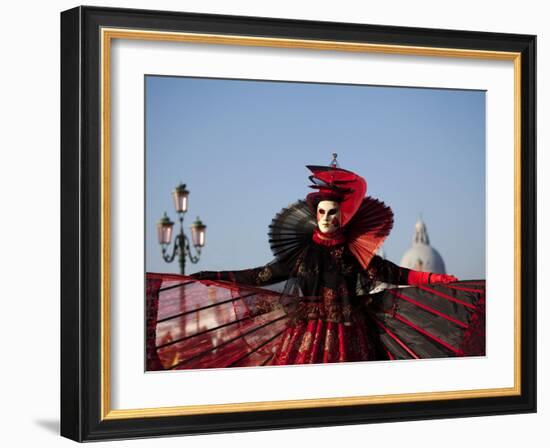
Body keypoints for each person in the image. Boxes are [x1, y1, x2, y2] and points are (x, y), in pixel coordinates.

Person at [190, 161, 463, 365]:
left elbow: (395, 273)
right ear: (315, 213)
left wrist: (435, 279)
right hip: (305, 333)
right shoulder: (301, 254)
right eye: (321, 212)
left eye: (333, 213)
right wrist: (215, 275)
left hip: (349, 333)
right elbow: (259, 275)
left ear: (342, 216)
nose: (326, 218)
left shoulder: (355, 253)